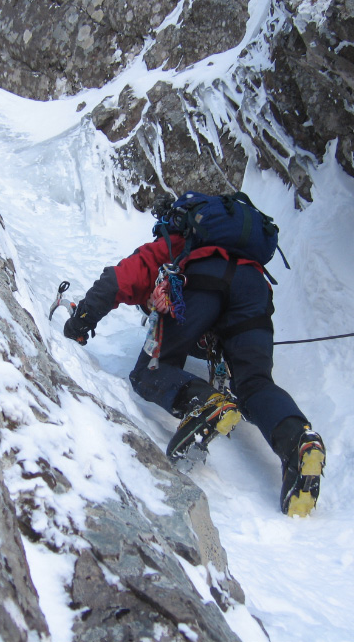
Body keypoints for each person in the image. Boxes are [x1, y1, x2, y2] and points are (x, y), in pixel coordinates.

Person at [63, 197, 326, 517]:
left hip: (204, 281)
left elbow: (117, 280)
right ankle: (298, 439)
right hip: (254, 288)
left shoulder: (174, 244)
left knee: (150, 370)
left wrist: (80, 323)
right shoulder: (243, 251)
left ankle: (205, 403)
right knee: (255, 382)